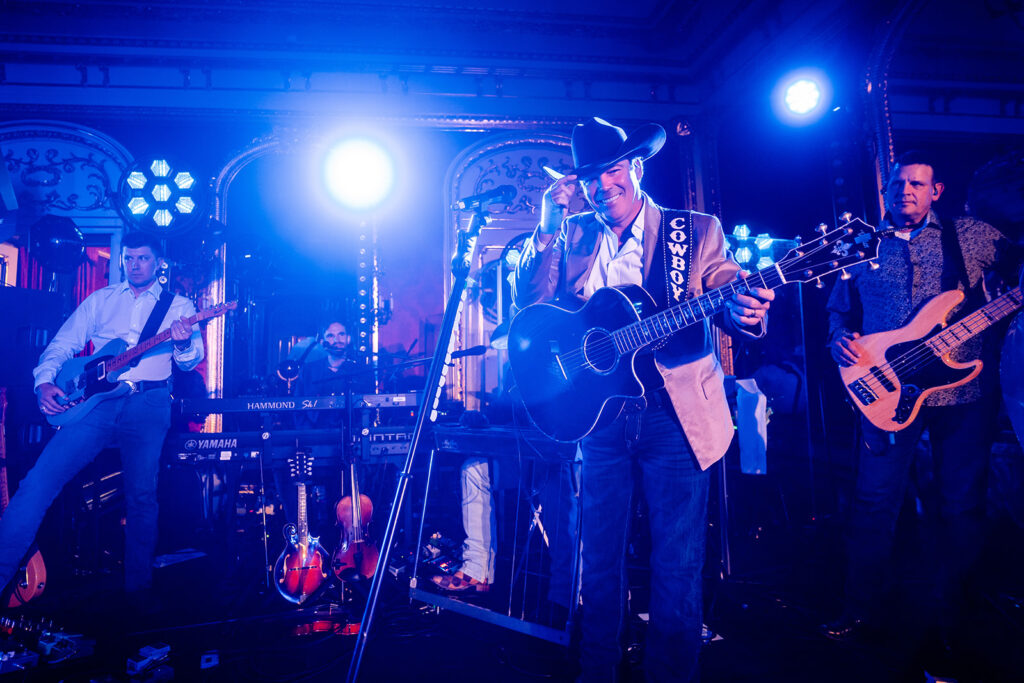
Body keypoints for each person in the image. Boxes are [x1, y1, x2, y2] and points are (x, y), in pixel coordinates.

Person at [512, 117, 773, 681]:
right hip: (599, 418)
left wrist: (744, 309)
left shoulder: (694, 230)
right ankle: (597, 671)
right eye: (589, 177)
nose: (602, 186)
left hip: (674, 417)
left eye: (611, 170)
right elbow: (527, 304)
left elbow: (726, 286)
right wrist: (546, 227)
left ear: (635, 167)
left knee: (677, 564)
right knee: (598, 561)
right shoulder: (573, 234)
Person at [825, 151, 1017, 656]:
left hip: (965, 392)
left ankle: (958, 615)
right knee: (873, 501)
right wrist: (838, 338)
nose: (906, 190)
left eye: (916, 184)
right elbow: (839, 314)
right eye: (898, 183)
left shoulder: (971, 235)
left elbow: (1014, 269)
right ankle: (861, 609)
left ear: (936, 192)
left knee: (961, 505)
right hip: (885, 390)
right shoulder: (859, 244)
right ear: (886, 190)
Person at [0, 231, 204, 602]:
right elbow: (63, 344)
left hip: (148, 401)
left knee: (142, 495)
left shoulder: (180, 306)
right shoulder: (102, 299)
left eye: (143, 258)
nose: (135, 265)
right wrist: (44, 382)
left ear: (159, 263)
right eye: (129, 258)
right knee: (38, 482)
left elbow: (190, 362)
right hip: (95, 401)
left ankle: (137, 595)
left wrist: (182, 342)